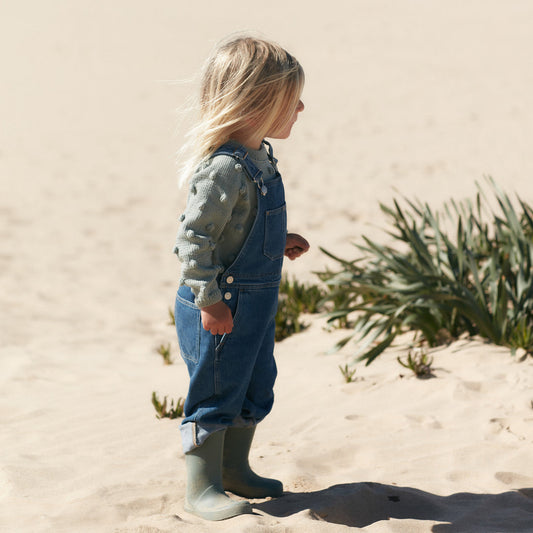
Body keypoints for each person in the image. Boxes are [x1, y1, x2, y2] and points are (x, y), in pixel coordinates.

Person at [173, 34, 309, 521]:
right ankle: (201, 486)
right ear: (256, 104)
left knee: (255, 382)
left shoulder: (260, 157)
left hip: (255, 302)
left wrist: (279, 239)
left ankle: (234, 469)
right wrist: (210, 300)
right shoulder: (223, 170)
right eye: (291, 100)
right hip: (220, 304)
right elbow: (194, 243)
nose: (300, 108)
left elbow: (237, 225)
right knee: (215, 389)